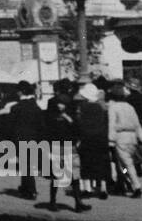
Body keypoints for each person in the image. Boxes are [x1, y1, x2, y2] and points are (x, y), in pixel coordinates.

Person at [44, 84, 87, 213]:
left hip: (63, 146)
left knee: (65, 176)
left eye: (62, 103)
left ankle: (61, 202)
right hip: (64, 146)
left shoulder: (56, 108)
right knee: (66, 176)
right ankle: (70, 202)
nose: (60, 105)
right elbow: (77, 127)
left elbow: (77, 130)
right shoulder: (58, 114)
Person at [107, 83, 142, 198]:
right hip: (132, 136)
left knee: (125, 164)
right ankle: (126, 182)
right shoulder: (130, 107)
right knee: (127, 163)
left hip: (121, 136)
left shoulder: (113, 108)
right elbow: (137, 124)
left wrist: (110, 140)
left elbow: (111, 124)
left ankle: (136, 185)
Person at [75, 82, 111, 199]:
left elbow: (80, 124)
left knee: (86, 164)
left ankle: (87, 189)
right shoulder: (102, 108)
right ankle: (103, 189)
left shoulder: (82, 107)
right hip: (101, 138)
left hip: (87, 139)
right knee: (101, 163)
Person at [9, 81, 42, 200]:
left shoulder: (16, 108)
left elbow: (11, 126)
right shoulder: (36, 107)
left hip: (21, 139)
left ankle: (31, 190)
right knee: (29, 164)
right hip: (34, 139)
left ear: (21, 92)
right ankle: (24, 187)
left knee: (25, 165)